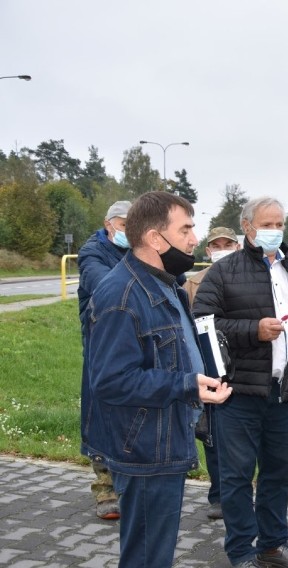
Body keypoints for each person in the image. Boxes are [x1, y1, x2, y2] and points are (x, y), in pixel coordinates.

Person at [82, 192, 233, 567]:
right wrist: (185, 385)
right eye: (185, 229)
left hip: (165, 437)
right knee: (147, 555)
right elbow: (110, 380)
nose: (194, 239)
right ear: (154, 238)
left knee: (154, 553)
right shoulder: (122, 294)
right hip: (145, 447)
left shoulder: (165, 282)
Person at [193, 196, 288, 568]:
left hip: (283, 394)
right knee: (237, 478)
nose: (274, 230)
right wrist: (252, 330)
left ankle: (273, 546)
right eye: (267, 224)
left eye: (279, 224)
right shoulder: (224, 273)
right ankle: (241, 552)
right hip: (238, 394)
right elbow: (203, 324)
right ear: (247, 227)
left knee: (277, 475)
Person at [76, 199, 131, 520]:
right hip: (102, 347)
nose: (128, 231)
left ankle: (129, 483)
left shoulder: (139, 251)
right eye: (124, 225)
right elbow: (103, 285)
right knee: (100, 415)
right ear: (108, 223)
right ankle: (104, 489)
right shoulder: (92, 253)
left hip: (135, 347)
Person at [183, 226, 241, 521]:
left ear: (237, 246)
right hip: (210, 370)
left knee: (242, 437)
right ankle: (218, 496)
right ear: (208, 251)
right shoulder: (192, 285)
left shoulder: (250, 278)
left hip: (243, 368)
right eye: (215, 245)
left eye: (227, 244)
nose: (221, 249)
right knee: (213, 436)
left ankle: (241, 494)